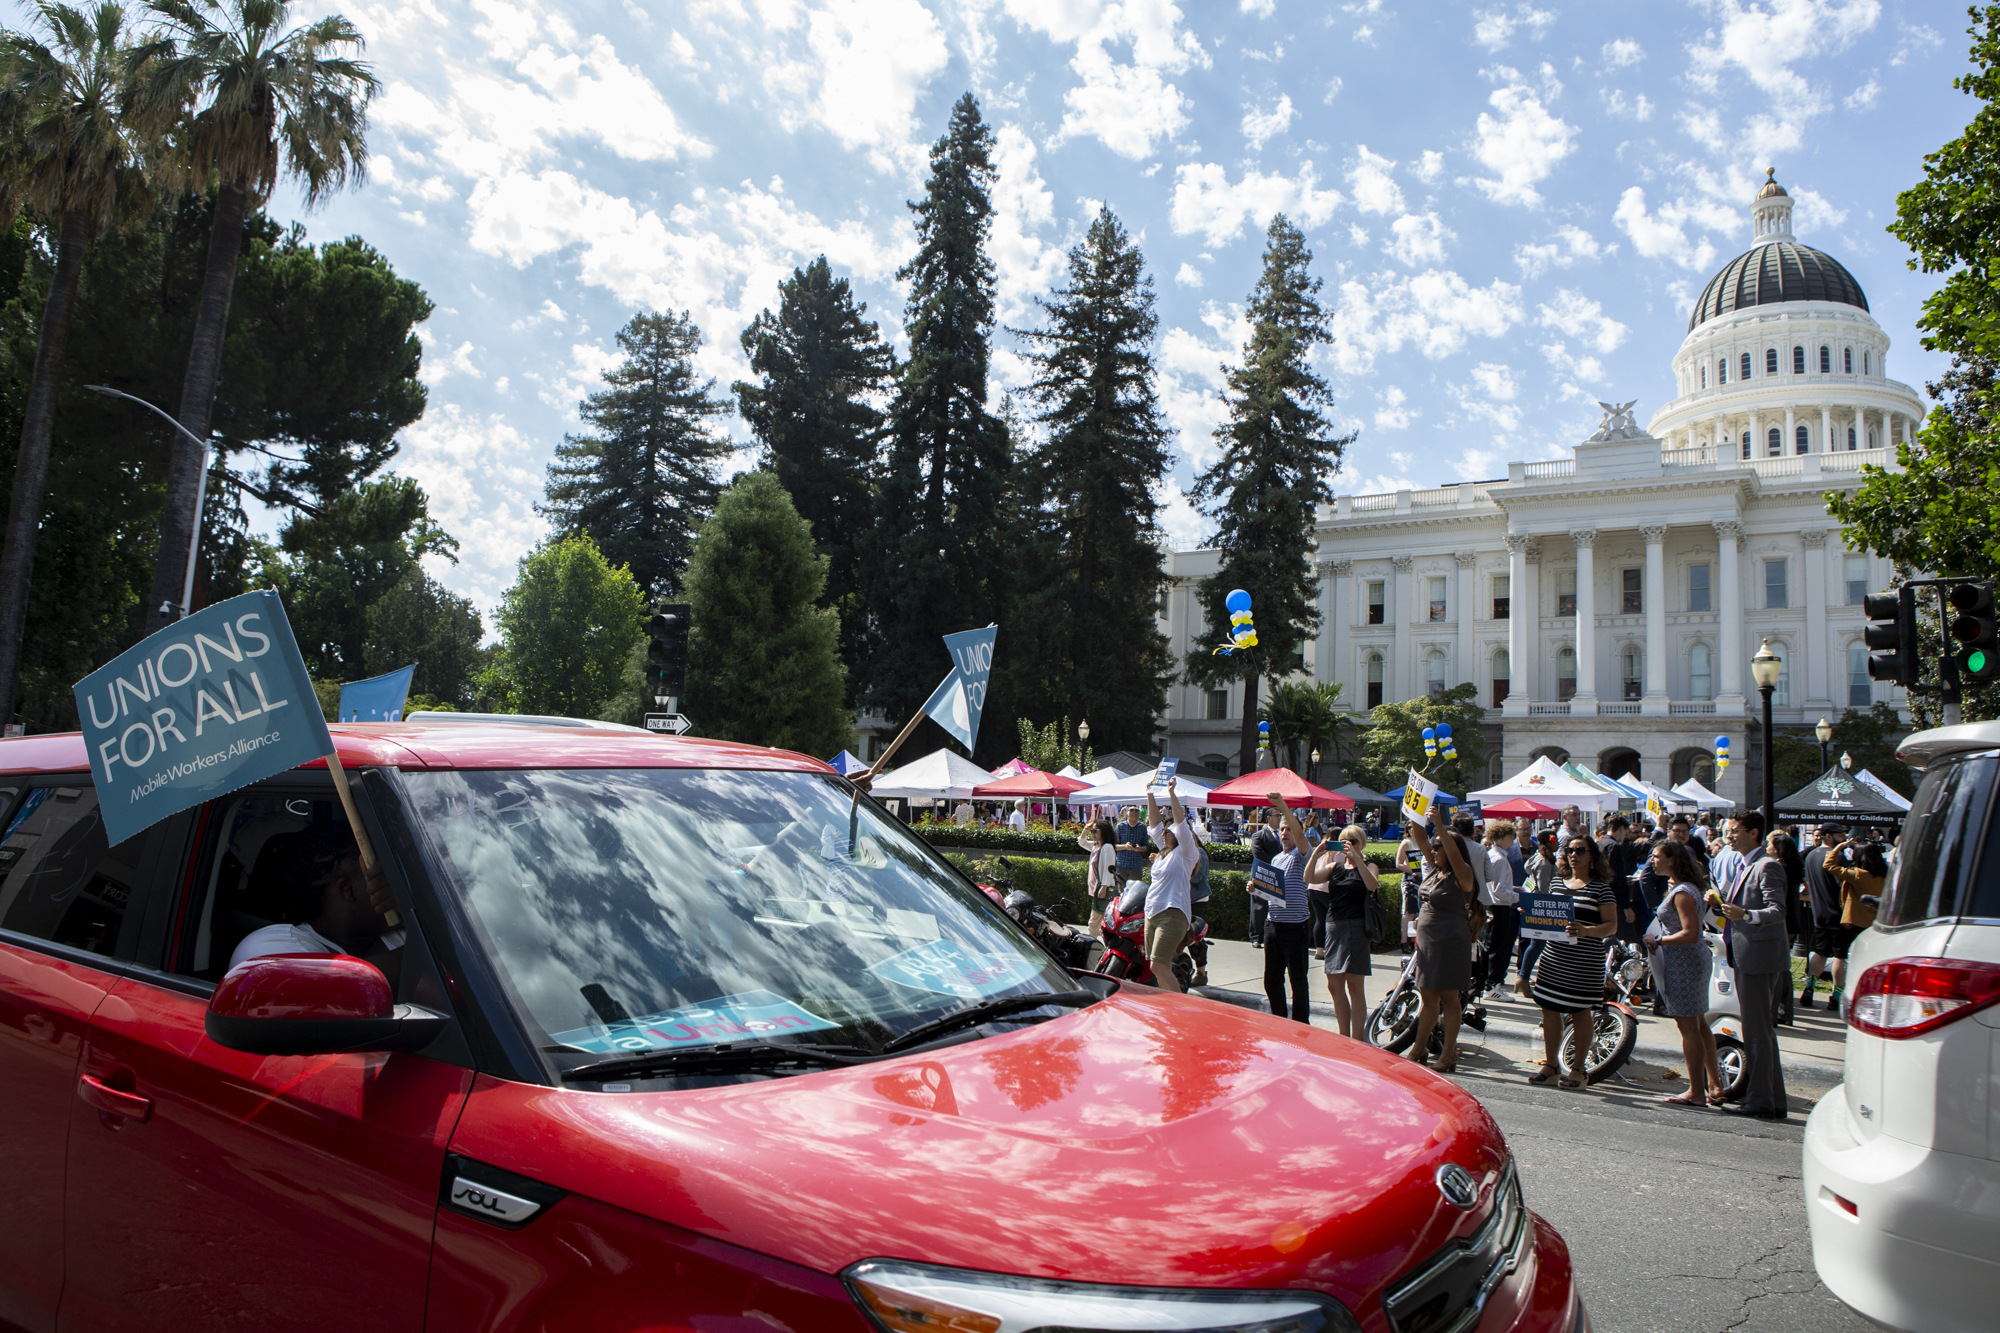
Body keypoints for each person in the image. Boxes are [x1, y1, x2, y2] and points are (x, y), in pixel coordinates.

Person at [229, 829, 402, 971]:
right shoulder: (269, 947)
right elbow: (343, 988)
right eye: (383, 874)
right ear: (347, 889)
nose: (397, 882)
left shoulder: (400, 932)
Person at [1526, 835, 1618, 1090]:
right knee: (1549, 1008)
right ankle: (1552, 1065)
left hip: (1585, 961)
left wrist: (1587, 930)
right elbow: (1548, 919)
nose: (1573, 854)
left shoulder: (1601, 888)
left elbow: (1611, 926)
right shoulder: (1557, 882)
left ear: (1592, 856)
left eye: (1580, 850)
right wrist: (1532, 916)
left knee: (1580, 1011)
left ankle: (1579, 1069)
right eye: (1569, 850)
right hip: (1555, 957)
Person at [1715, 811, 1790, 1120]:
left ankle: (1761, 1101)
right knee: (1759, 1031)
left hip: (1760, 959)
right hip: (1748, 956)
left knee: (1758, 1032)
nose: (1730, 836)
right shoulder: (1747, 865)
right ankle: (1769, 1100)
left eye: (1735, 831)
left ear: (1754, 833)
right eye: (1730, 831)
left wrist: (1745, 914)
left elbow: (1777, 910)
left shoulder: (1767, 866)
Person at [1647, 840, 1723, 1107]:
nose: (1652, 861)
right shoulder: (1687, 888)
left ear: (1672, 859)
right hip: (1694, 960)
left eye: (1657, 856)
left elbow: (1690, 933)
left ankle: (1696, 1091)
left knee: (1688, 1027)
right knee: (1700, 1024)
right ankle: (1714, 1085)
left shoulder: (1682, 892)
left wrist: (1659, 941)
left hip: (1684, 962)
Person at [1404, 807, 1477, 1071]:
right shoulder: (1435, 870)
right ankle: (1419, 1047)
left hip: (1450, 941)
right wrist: (1416, 811)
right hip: (1428, 942)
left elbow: (1455, 856)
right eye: (1434, 848)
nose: (1433, 851)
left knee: (1449, 997)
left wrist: (1441, 826)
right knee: (1428, 996)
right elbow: (1420, 837)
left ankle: (1448, 1054)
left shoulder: (1462, 873)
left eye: (1439, 847)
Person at [1310, 823, 1378, 1039]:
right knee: (1334, 984)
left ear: (1361, 844)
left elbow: (1372, 885)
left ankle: (1357, 1039)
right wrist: (1315, 854)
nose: (1347, 845)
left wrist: (1357, 859)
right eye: (1343, 841)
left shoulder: (1369, 866)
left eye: (1353, 841)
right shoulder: (1334, 868)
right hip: (1334, 927)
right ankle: (1343, 1036)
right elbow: (1308, 878)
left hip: (1356, 928)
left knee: (1355, 986)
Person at [1257, 795, 1313, 1022]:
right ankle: (1280, 1019)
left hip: (1295, 926)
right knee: (1271, 979)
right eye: (1282, 829)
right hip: (1274, 924)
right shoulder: (1276, 859)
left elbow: (1300, 837)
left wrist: (1283, 807)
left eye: (1289, 829)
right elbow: (1271, 892)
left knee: (1298, 980)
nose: (1285, 833)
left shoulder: (1302, 855)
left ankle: (1301, 1023)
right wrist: (1256, 888)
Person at [1141, 780, 1194, 992]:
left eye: (1168, 831)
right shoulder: (1164, 852)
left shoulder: (1186, 853)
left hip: (1172, 913)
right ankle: (1169, 1005)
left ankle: (1179, 1008)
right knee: (1156, 968)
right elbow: (1154, 823)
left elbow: (1180, 823)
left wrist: (1172, 793)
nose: (1164, 833)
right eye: (1164, 831)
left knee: (1158, 965)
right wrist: (1150, 793)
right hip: (1152, 912)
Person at [1823, 835, 1886, 1011]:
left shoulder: (1857, 874)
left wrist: (1838, 848)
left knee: (1841, 958)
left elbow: (1828, 866)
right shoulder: (1885, 877)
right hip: (1875, 923)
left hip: (1852, 922)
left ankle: (1837, 995)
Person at [1800, 824, 1844, 1010]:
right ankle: (1837, 996)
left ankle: (1809, 988)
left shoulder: (1811, 855)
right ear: (1829, 836)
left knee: (1820, 951)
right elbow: (1842, 885)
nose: (1844, 838)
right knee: (1840, 955)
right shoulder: (1837, 856)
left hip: (1818, 912)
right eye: (1840, 835)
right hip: (1838, 913)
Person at [1766, 831, 1806, 1025]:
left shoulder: (1778, 868)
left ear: (1778, 849)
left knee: (1777, 969)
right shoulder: (1791, 867)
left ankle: (1776, 1012)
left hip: (1782, 922)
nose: (1766, 847)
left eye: (1769, 844)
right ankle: (1784, 1011)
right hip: (1789, 921)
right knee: (1782, 969)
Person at [1483, 820, 1522, 996]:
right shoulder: (1498, 858)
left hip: (1497, 906)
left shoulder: (1496, 855)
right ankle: (1493, 985)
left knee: (1497, 946)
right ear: (1502, 837)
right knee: (1499, 948)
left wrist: (1513, 890)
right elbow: (1497, 889)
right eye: (1511, 835)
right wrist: (1516, 896)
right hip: (1499, 907)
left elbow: (1498, 885)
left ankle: (1492, 983)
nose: (1513, 838)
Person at [1077, 817, 1119, 934]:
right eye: (1092, 831)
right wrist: (1085, 829)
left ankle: (1089, 948)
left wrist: (1104, 887)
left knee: (1093, 923)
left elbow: (1109, 869)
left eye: (1095, 830)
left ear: (1103, 832)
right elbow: (1082, 842)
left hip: (1102, 889)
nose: (1093, 833)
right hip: (1097, 889)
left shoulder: (1107, 847)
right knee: (1101, 924)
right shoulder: (1097, 846)